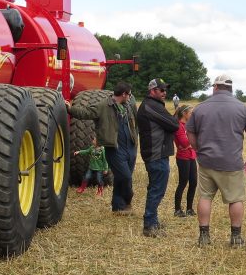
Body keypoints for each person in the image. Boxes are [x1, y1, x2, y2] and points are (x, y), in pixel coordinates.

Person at [186, 73, 246, 247]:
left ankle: (204, 237)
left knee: (205, 197)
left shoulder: (200, 108)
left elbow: (190, 133)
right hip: (231, 162)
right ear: (231, 89)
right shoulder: (242, 108)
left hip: (206, 162)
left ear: (215, 87)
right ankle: (235, 238)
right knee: (235, 199)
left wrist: (198, 149)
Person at [68, 82, 137, 214]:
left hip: (131, 146)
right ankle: (128, 201)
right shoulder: (103, 106)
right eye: (129, 94)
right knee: (126, 177)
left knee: (120, 177)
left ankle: (118, 207)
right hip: (115, 147)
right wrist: (70, 109)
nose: (130, 96)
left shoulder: (128, 105)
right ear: (124, 94)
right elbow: (85, 113)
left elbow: (136, 122)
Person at [135, 77, 180, 236]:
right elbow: (173, 125)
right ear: (152, 91)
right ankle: (149, 226)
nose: (164, 92)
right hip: (156, 154)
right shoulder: (151, 106)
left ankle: (153, 220)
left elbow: (169, 124)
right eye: (161, 90)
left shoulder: (153, 105)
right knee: (156, 189)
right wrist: (176, 118)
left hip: (156, 152)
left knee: (156, 188)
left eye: (165, 90)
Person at [172, 104, 197, 217]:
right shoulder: (179, 126)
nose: (193, 115)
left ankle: (189, 208)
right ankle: (177, 209)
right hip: (183, 158)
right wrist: (192, 143)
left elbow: (196, 141)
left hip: (191, 156)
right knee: (183, 183)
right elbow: (185, 143)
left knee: (193, 182)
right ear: (184, 114)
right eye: (191, 113)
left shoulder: (189, 126)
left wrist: (192, 143)